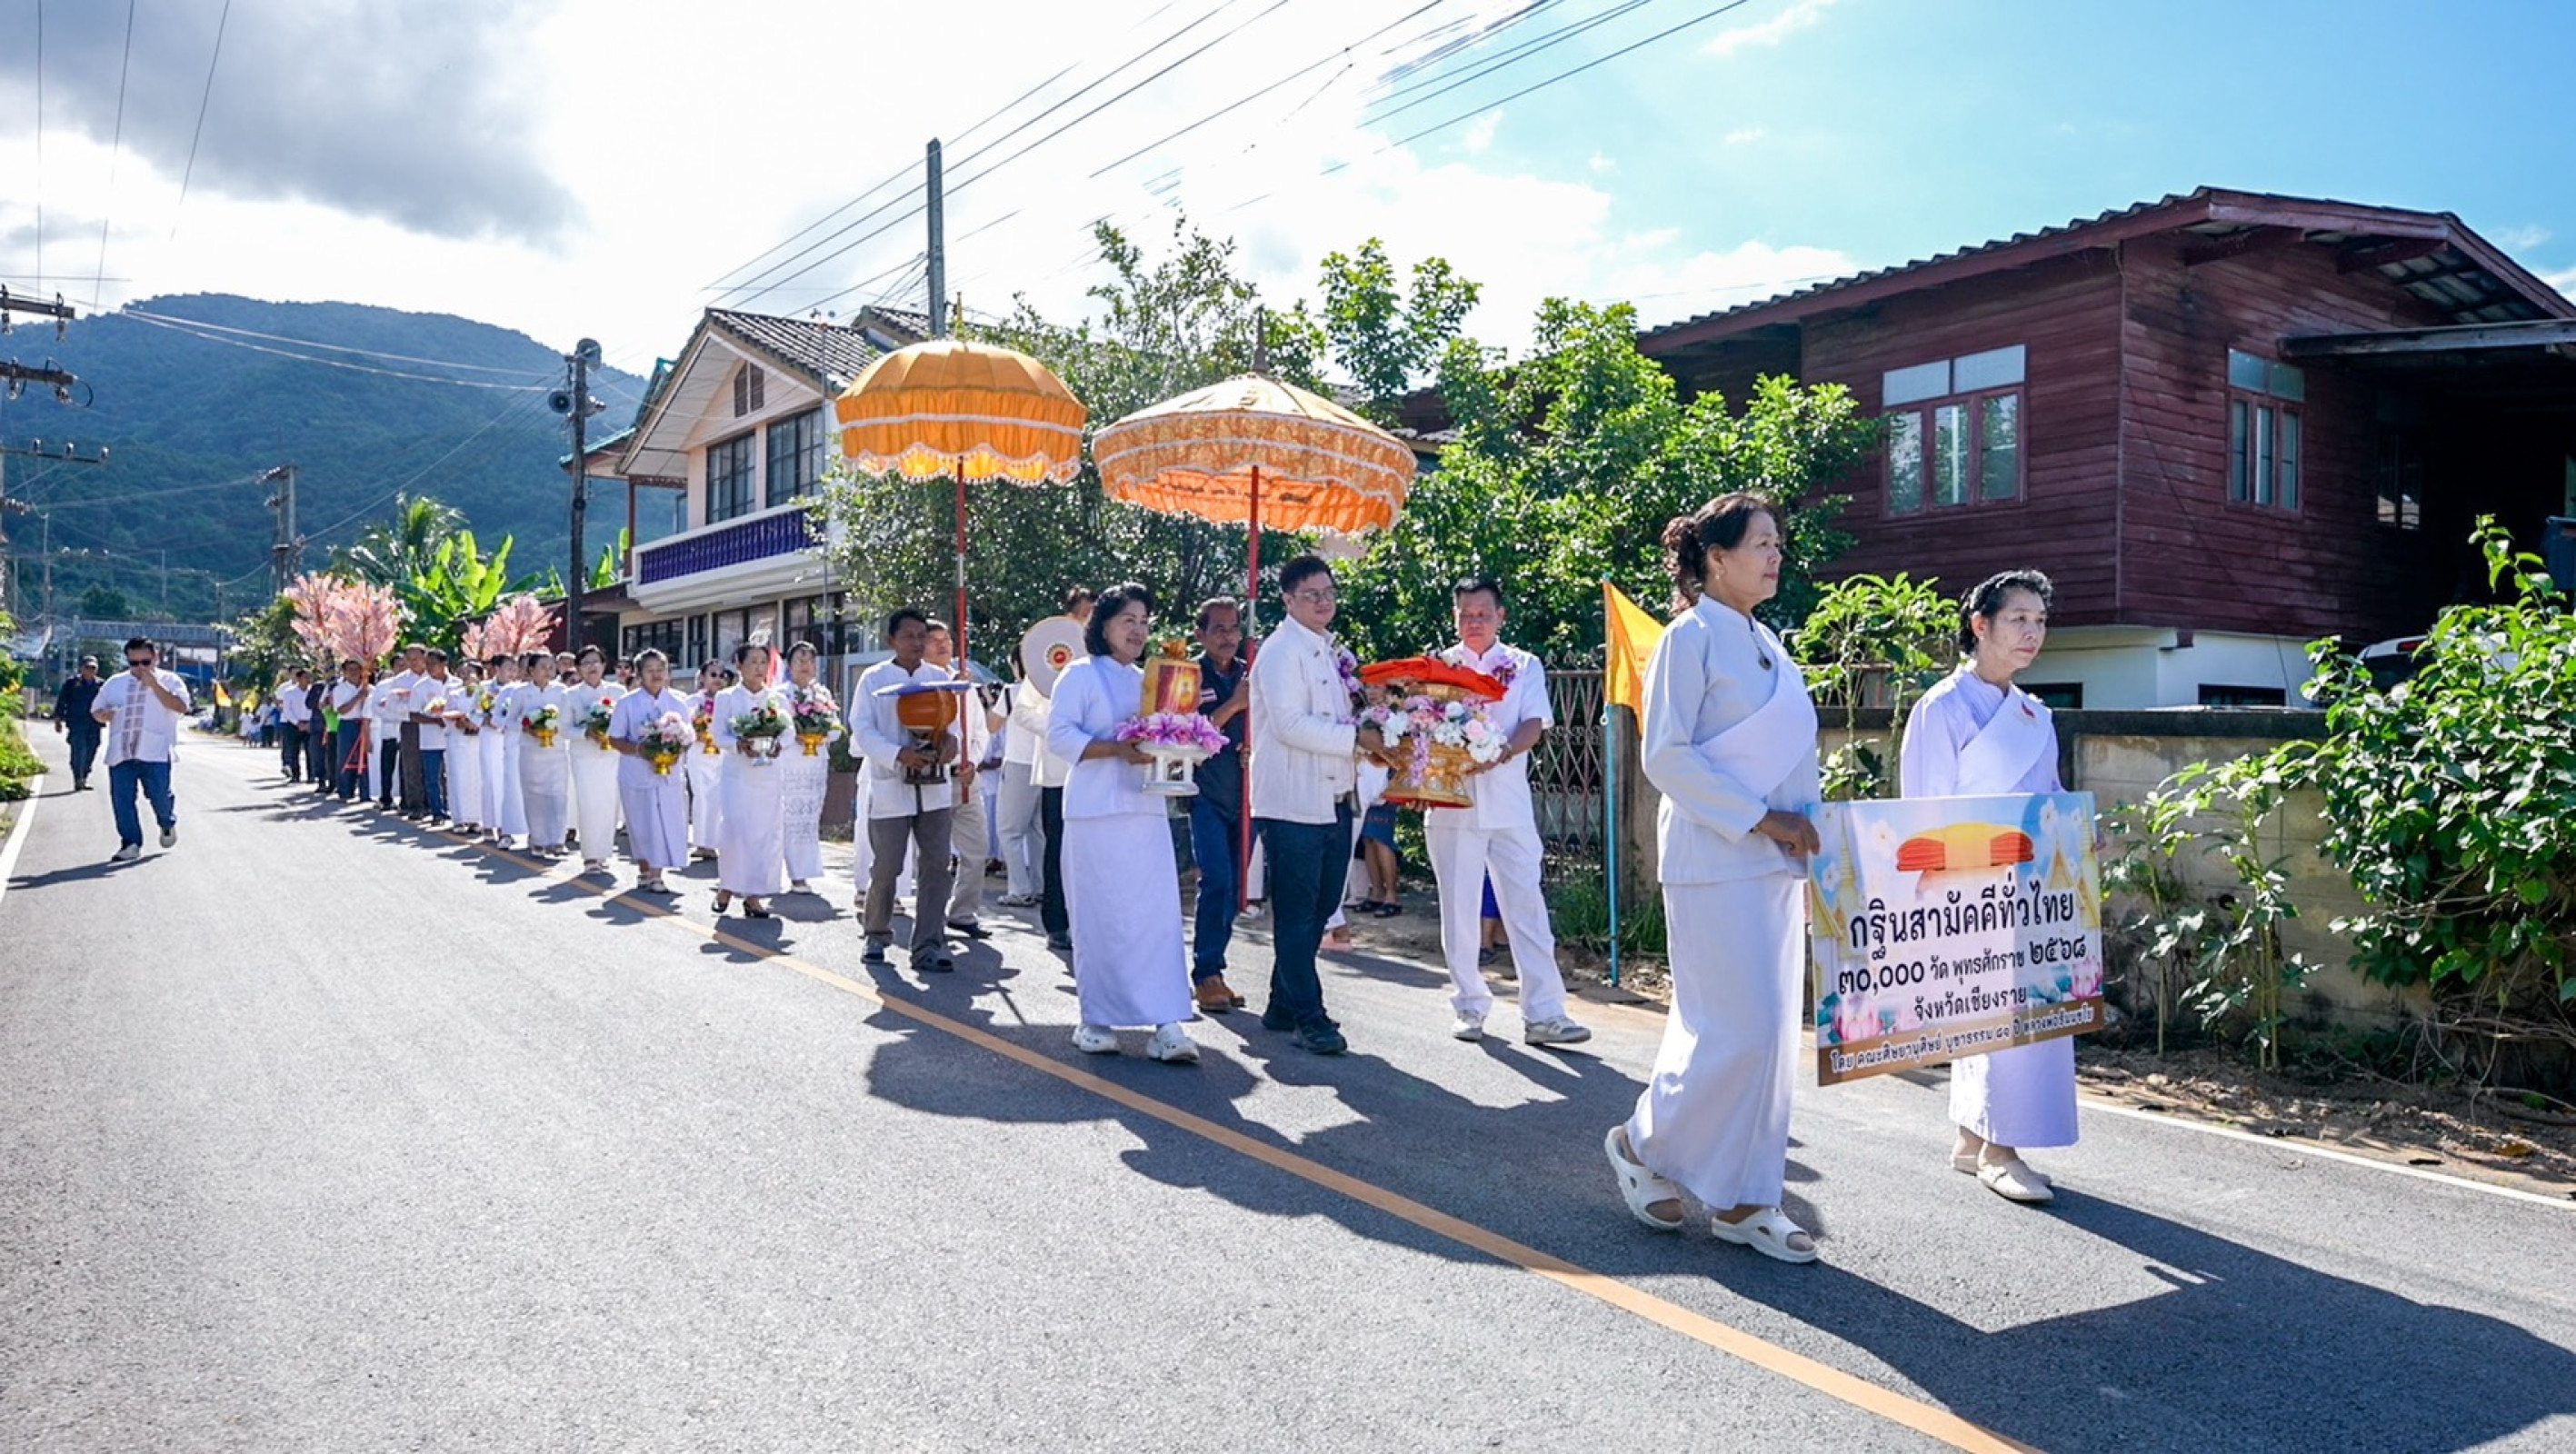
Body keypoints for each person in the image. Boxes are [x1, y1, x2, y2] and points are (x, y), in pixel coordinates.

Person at [1605, 493, 1823, 1266]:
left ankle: (1745, 1199)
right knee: (1730, 1032)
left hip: (1773, 866)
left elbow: (1796, 759)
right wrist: (1765, 819)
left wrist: (1812, 835)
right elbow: (1665, 756)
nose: (1775, 556)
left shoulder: (1772, 643)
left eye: (1778, 544)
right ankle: (1640, 1143)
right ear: (1715, 557)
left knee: (1768, 1040)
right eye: (1761, 543)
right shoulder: (1687, 638)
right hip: (1712, 860)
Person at [1900, 569, 2077, 1206]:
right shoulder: (1940, 708)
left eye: (2039, 621)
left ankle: (1974, 1137)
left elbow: (2051, 796)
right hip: (1968, 882)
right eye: (2018, 620)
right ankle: (2001, 1150)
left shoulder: (2036, 713)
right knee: (1994, 1013)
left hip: (2032, 887)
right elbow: (1921, 810)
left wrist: (2082, 832)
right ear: (1980, 626)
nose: (2032, 632)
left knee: (2028, 1013)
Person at [1424, 577, 1592, 1047]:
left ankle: (1544, 1013)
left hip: (1509, 803)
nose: (1473, 621)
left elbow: (1536, 724)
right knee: (1459, 911)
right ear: (1455, 617)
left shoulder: (1523, 665)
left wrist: (1499, 752)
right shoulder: (1438, 668)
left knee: (1527, 908)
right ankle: (1469, 1007)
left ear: (1500, 616)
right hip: (1453, 804)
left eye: (1482, 613)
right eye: (1465, 614)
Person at [1042, 582, 1202, 1061]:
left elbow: (1170, 732)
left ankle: (1168, 1022)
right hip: (1094, 813)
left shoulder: (1150, 680)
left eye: (1144, 622)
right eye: (1128, 620)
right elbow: (1060, 735)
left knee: (1156, 918)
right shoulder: (1080, 675)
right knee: (1100, 916)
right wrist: (1116, 749)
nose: (1138, 630)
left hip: (1145, 810)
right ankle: (1096, 1019)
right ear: (1104, 625)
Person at [1249, 554, 1390, 1057]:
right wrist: (1359, 739)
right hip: (1291, 801)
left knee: (1319, 905)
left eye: (1328, 592)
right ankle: (1310, 1016)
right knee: (1297, 912)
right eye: (1311, 594)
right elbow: (1290, 725)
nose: (1323, 601)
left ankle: (1282, 1003)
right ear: (1287, 601)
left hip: (1334, 796)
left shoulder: (1328, 650)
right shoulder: (1283, 651)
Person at [854, 608, 960, 973]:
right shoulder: (873, 678)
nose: (917, 643)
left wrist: (950, 745)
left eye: (922, 636)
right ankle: (877, 933)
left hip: (933, 787)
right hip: (891, 784)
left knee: (936, 865)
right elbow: (862, 729)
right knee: (887, 865)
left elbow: (952, 724)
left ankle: (929, 943)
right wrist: (898, 754)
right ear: (891, 641)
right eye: (909, 636)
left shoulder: (939, 677)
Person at [1187, 597, 1251, 1013]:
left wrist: (1254, 746)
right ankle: (1204, 972)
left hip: (1245, 793)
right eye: (1219, 630)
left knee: (1235, 888)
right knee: (1217, 880)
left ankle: (1217, 968)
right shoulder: (1188, 675)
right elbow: (1186, 733)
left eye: (1233, 629)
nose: (1228, 637)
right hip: (1205, 792)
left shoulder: (1252, 672)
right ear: (1201, 634)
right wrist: (1232, 707)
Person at [91, 638, 194, 862]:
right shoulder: (115, 683)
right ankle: (130, 843)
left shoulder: (170, 680)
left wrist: (154, 685)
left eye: (145, 662)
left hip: (155, 752)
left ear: (155, 658)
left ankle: (167, 823)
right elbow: (97, 709)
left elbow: (181, 707)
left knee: (160, 796)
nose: (140, 668)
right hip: (121, 752)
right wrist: (102, 715)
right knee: (122, 800)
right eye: (134, 663)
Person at [925, 622, 994, 940]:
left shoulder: (965, 683)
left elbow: (979, 732)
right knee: (934, 857)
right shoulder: (922, 683)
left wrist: (973, 762)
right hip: (933, 780)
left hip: (966, 780)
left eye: (947, 640)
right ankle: (930, 916)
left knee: (977, 849)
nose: (943, 646)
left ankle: (963, 912)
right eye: (935, 641)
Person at [711, 641, 789, 918]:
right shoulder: (727, 698)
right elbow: (718, 734)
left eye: (762, 661)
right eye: (752, 661)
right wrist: (738, 744)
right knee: (735, 831)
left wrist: (780, 744)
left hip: (768, 775)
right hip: (738, 775)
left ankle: (755, 896)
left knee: (764, 834)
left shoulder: (776, 698)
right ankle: (727, 886)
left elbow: (789, 731)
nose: (758, 667)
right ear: (739, 666)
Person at [609, 649, 691, 894]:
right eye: (650, 670)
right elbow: (615, 739)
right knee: (642, 825)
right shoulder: (627, 703)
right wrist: (640, 749)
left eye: (661, 670)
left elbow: (687, 737)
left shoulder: (678, 702)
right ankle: (646, 870)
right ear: (639, 674)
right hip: (637, 773)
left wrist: (676, 748)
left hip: (669, 774)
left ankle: (657, 874)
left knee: (666, 822)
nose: (656, 675)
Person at [778, 642, 842, 893]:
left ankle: (804, 870)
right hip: (790, 761)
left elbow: (835, 728)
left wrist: (820, 733)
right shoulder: (780, 694)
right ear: (789, 665)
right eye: (799, 660)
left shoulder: (822, 694)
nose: (805, 666)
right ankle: (794, 874)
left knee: (809, 818)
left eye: (810, 661)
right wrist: (798, 733)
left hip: (815, 762)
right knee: (788, 817)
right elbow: (778, 728)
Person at [566, 645, 627, 874]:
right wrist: (586, 733)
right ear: (579, 669)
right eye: (586, 663)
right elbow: (564, 728)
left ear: (604, 665)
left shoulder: (618, 692)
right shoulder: (571, 695)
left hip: (612, 755)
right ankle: (590, 856)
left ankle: (603, 852)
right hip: (584, 756)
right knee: (589, 803)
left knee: (609, 803)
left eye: (596, 662)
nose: (592, 667)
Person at [994, 661, 1045, 908]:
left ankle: (1020, 889)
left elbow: (991, 725)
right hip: (1047, 764)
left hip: (1018, 764)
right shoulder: (1053, 689)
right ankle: (1041, 885)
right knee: (1039, 831)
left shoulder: (1012, 692)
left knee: (1009, 831)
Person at [516, 650, 572, 855]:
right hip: (530, 750)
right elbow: (510, 720)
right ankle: (538, 839)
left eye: (551, 667)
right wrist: (527, 725)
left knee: (558, 794)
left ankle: (558, 840)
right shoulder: (520, 693)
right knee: (534, 795)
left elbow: (567, 718)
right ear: (531, 670)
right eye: (543, 667)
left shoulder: (561, 691)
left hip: (556, 750)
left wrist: (556, 727)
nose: (548, 672)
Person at [406, 649, 464, 825]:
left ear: (444, 664)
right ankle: (437, 811)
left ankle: (455, 810)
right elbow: (413, 715)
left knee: (454, 775)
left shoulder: (458, 684)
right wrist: (434, 720)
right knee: (433, 778)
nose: (429, 667)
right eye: (427, 664)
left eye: (433, 664)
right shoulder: (421, 687)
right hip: (430, 739)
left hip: (455, 736)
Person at [685, 659, 726, 859]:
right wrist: (697, 733)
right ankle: (701, 842)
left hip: (721, 754)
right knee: (701, 796)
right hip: (699, 753)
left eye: (721, 675)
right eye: (713, 675)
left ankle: (714, 843)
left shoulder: (728, 700)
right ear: (702, 678)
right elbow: (684, 728)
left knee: (718, 798)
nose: (718, 679)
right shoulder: (692, 702)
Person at [487, 654, 529, 848]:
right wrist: (517, 724)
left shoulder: (553, 690)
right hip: (514, 745)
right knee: (512, 789)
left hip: (542, 748)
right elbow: (496, 719)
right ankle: (507, 831)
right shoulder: (510, 690)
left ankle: (536, 834)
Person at [442, 658, 486, 835]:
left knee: (476, 778)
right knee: (458, 777)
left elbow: (489, 713)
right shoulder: (454, 693)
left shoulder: (485, 694)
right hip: (458, 739)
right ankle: (459, 819)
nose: (466, 677)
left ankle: (475, 819)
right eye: (463, 673)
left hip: (478, 740)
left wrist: (475, 724)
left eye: (471, 673)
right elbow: (446, 714)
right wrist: (459, 722)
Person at [50, 655, 104, 790]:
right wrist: (58, 719)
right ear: (82, 668)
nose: (90, 670)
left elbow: (109, 702)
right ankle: (78, 777)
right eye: (87, 667)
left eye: (93, 668)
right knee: (78, 750)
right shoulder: (72, 684)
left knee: (92, 748)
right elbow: (62, 701)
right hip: (76, 722)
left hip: (94, 723)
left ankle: (84, 775)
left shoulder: (101, 685)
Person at [326, 659, 370, 801]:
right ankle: (345, 790)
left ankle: (366, 792)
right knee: (346, 757)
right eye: (350, 670)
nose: (354, 673)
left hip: (365, 724)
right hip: (348, 725)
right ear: (344, 673)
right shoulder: (339, 689)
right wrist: (358, 697)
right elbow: (341, 710)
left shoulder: (368, 687)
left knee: (365, 758)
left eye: (356, 669)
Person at [276, 667, 315, 782]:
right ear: (298, 679)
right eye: (305, 677)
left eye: (309, 677)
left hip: (309, 724)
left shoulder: (313, 691)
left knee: (311, 751)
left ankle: (311, 775)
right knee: (294, 750)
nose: (308, 680)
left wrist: (309, 723)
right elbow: (287, 710)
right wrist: (297, 723)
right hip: (293, 724)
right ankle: (295, 774)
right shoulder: (289, 692)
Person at [304, 669, 334, 792]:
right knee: (317, 754)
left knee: (332, 756)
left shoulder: (337, 686)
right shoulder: (317, 687)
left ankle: (333, 782)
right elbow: (309, 703)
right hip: (318, 726)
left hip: (333, 725)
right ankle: (321, 780)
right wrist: (322, 703)